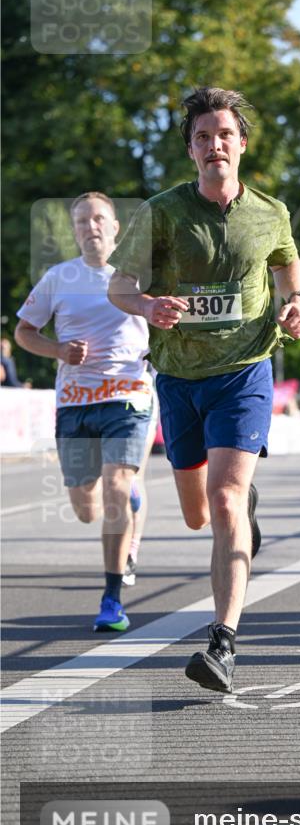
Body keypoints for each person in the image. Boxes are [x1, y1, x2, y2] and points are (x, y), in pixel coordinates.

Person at [108, 87, 300, 693]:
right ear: (192, 150)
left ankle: (222, 642)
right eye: (202, 137)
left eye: (224, 134)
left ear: (241, 144)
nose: (214, 145)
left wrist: (296, 303)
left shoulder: (271, 212)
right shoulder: (162, 212)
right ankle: (242, 509)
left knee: (223, 502)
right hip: (178, 377)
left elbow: (287, 265)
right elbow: (119, 286)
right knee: (200, 515)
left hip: (245, 370)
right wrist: (145, 304)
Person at [15, 193, 155, 632]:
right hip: (75, 405)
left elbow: (167, 325)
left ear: (115, 227)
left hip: (128, 397)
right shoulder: (59, 278)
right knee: (86, 509)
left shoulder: (137, 277)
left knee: (116, 486)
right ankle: (130, 496)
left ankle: (112, 598)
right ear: (74, 231)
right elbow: (24, 331)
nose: (90, 227)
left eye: (99, 219)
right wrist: (58, 349)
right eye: (81, 221)